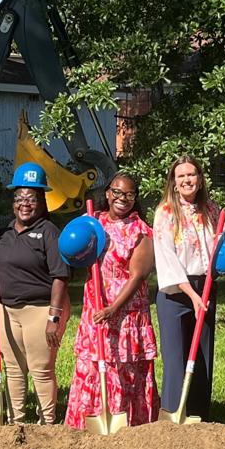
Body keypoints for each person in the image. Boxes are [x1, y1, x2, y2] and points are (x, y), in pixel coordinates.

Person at [67, 172, 160, 428]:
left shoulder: (141, 231)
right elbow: (71, 248)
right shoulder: (91, 222)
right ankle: (86, 425)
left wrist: (112, 309)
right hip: (95, 309)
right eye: (117, 192)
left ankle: (127, 426)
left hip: (126, 313)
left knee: (123, 370)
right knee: (92, 368)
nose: (122, 198)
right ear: (107, 193)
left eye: (129, 194)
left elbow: (138, 275)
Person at [0, 163, 70, 425]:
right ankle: (18, 422)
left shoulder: (49, 233)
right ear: (13, 202)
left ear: (42, 201)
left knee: (41, 369)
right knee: (14, 369)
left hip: (40, 310)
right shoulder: (3, 233)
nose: (25, 204)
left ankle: (47, 422)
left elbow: (60, 276)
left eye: (31, 198)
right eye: (20, 198)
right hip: (7, 310)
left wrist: (53, 318)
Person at [153, 155, 224, 420]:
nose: (187, 180)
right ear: (173, 182)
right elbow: (167, 257)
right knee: (176, 359)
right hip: (176, 292)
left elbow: (222, 248)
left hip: (205, 287)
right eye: (181, 176)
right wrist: (193, 295)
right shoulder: (166, 213)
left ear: (200, 178)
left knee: (203, 356)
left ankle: (199, 415)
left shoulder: (212, 210)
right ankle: (172, 414)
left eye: (191, 174)